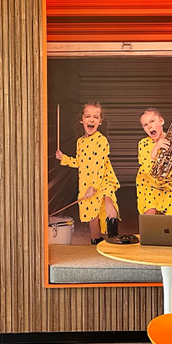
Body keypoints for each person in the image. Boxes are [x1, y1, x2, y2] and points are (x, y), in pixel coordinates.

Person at [55, 102, 120, 244]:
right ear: (81, 120)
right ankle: (96, 241)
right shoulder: (80, 142)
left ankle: (114, 237)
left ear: (100, 121)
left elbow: (100, 166)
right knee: (91, 213)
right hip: (86, 181)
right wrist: (64, 158)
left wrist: (94, 186)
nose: (91, 120)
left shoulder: (102, 141)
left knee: (108, 200)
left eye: (96, 117)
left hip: (102, 179)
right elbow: (79, 162)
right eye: (87, 116)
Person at [136, 108, 172, 215]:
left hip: (171, 185)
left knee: (170, 224)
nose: (149, 126)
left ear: (161, 121)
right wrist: (156, 147)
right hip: (150, 184)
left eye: (152, 121)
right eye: (145, 125)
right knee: (150, 213)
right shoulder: (143, 143)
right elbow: (146, 167)